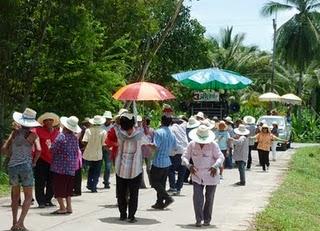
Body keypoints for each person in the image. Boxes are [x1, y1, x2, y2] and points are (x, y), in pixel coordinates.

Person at [1, 108, 41, 231]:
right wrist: (34, 161)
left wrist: (13, 155)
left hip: (13, 167)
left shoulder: (14, 134)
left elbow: (4, 150)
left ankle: (14, 223)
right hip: (26, 166)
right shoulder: (33, 135)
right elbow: (39, 150)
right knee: (28, 196)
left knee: (15, 196)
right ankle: (21, 223)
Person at [182, 125, 224, 227]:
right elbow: (184, 157)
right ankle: (198, 219)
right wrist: (189, 165)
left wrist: (215, 166)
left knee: (209, 198)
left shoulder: (213, 145)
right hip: (196, 174)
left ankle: (207, 219)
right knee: (197, 197)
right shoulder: (191, 145)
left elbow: (220, 157)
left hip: (211, 174)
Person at [114, 112, 146, 223]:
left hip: (120, 168)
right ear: (133, 124)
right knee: (134, 194)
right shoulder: (140, 135)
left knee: (121, 193)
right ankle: (131, 216)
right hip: (135, 169)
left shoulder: (119, 134)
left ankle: (123, 214)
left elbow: (116, 124)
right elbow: (148, 143)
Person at [50, 116, 81, 215]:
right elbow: (76, 151)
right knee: (68, 188)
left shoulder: (61, 136)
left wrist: (48, 145)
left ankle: (62, 207)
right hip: (71, 167)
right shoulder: (74, 138)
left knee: (58, 188)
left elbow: (53, 149)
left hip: (60, 167)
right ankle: (69, 207)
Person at [150, 115, 177, 210]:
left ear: (161, 121)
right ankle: (159, 202)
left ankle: (167, 198)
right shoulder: (172, 134)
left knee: (154, 182)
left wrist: (148, 145)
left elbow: (155, 146)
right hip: (167, 161)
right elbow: (175, 148)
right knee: (162, 183)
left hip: (158, 160)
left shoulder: (158, 132)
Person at [34, 112, 60, 208]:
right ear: (43, 122)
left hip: (54, 160)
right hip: (41, 159)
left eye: (50, 120)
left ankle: (48, 199)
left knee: (52, 181)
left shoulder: (57, 133)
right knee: (40, 181)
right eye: (46, 120)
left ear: (53, 122)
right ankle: (41, 201)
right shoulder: (38, 131)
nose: (49, 121)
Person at [82, 115, 107, 192]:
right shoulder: (103, 131)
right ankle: (94, 186)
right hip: (98, 153)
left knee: (91, 169)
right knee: (97, 170)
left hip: (88, 153)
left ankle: (89, 184)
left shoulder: (88, 130)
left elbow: (84, 141)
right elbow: (104, 144)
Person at [168, 117, 188, 196]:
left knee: (171, 170)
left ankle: (172, 187)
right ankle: (178, 188)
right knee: (182, 171)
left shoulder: (170, 128)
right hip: (184, 152)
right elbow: (185, 122)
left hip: (175, 152)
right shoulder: (182, 127)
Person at [184, 116, 201, 184]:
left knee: (189, 162)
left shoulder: (185, 129)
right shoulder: (196, 130)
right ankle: (192, 178)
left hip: (187, 146)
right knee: (194, 162)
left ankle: (185, 178)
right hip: (195, 146)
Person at [140, 116, 154, 188]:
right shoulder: (140, 130)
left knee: (145, 168)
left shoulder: (150, 130)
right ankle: (147, 183)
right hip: (146, 151)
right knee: (145, 168)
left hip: (145, 151)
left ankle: (147, 183)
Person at [101, 111, 113, 189]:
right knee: (96, 166)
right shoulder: (101, 127)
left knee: (108, 167)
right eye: (106, 118)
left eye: (108, 119)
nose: (107, 120)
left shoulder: (112, 128)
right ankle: (93, 183)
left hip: (108, 148)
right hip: (100, 148)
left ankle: (106, 181)